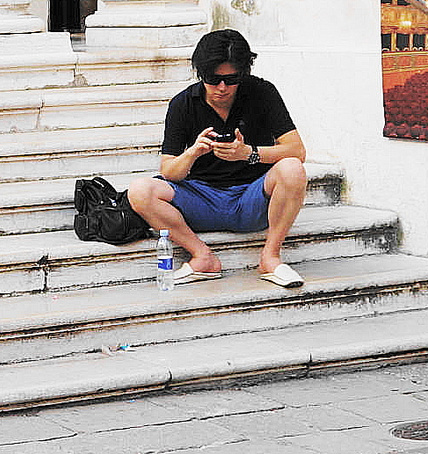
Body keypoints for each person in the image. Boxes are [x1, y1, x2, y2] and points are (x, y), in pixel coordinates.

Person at [125, 30, 309, 288]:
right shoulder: (183, 104)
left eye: (231, 79)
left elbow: (297, 151)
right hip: (200, 198)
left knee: (292, 169)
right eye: (213, 79)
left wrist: (250, 153)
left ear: (243, 74)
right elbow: (168, 170)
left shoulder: (262, 92)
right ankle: (202, 256)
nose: (222, 87)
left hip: (252, 198)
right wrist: (193, 152)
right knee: (140, 191)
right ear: (201, 74)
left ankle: (270, 257)